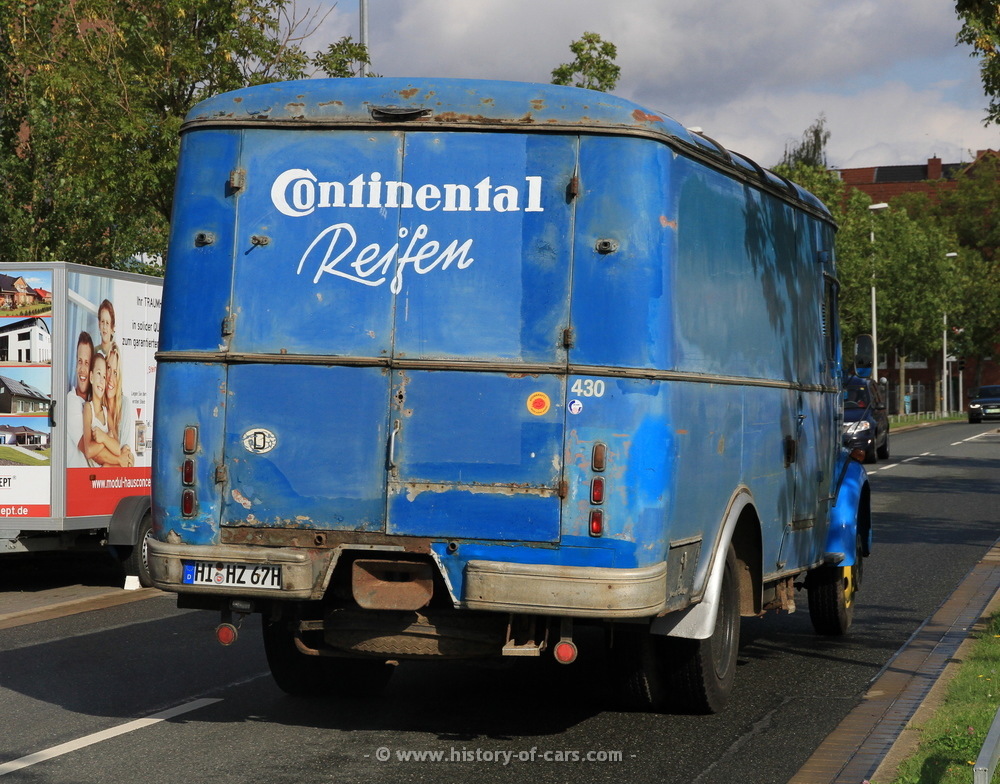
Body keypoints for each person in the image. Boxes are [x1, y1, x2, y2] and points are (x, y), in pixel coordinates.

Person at [83, 353, 132, 467]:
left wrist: (104, 438)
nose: (102, 380)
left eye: (104, 377)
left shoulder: (106, 411)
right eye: (99, 374)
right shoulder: (88, 408)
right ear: (91, 377)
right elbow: (89, 451)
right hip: (98, 472)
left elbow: (117, 449)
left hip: (110, 470)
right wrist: (105, 439)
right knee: (106, 467)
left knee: (108, 466)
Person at [66, 331, 93, 468]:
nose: (82, 369)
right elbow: (90, 451)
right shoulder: (71, 401)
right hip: (76, 479)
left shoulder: (94, 403)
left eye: (87, 363)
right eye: (80, 361)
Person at [104, 343, 134, 466]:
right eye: (108, 368)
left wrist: (127, 458)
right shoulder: (96, 405)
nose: (110, 378)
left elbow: (125, 451)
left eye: (115, 373)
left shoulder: (124, 404)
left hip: (118, 474)